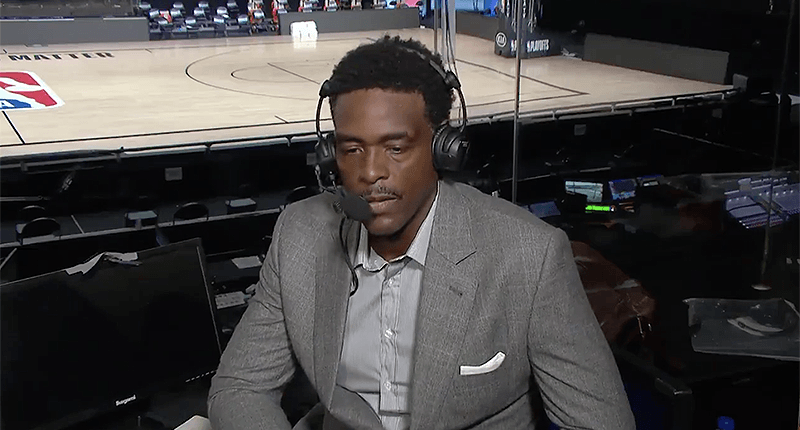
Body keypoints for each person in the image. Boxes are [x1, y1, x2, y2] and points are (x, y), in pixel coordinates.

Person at [208, 35, 635, 430]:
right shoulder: (299, 235)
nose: (371, 173)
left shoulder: (529, 255)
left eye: (396, 148)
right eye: (352, 149)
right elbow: (239, 386)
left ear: (443, 149)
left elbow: (602, 424)